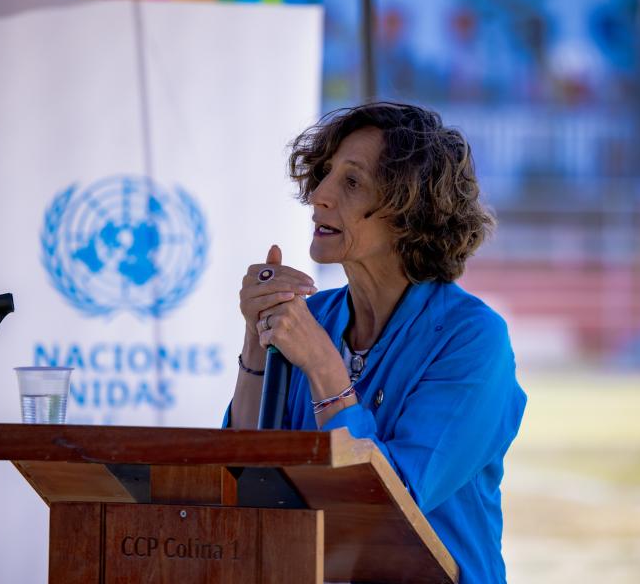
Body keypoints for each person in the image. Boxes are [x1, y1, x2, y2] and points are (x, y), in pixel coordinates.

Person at [225, 102, 526, 583]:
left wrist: (325, 370)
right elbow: (243, 473)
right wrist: (257, 338)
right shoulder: (311, 316)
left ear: (409, 211)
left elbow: (390, 505)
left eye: (351, 182)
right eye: (324, 176)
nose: (318, 196)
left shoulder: (472, 338)